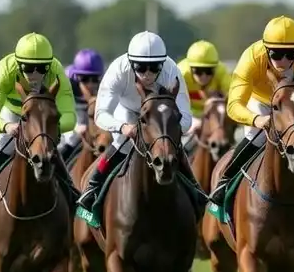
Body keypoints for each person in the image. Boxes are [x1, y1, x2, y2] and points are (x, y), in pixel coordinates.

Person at [206, 15, 294, 212]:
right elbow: (234, 105)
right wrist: (258, 119)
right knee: (256, 136)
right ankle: (225, 182)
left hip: (291, 108)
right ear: (266, 49)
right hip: (261, 103)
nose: (284, 60)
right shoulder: (252, 57)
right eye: (276, 54)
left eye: (290, 55)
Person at [75, 31, 205, 219]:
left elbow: (186, 119)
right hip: (127, 111)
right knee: (121, 142)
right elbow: (101, 114)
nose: (147, 74)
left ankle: (195, 189)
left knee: (170, 146)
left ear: (163, 63)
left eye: (154, 68)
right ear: (131, 62)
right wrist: (123, 127)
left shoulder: (172, 71)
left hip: (158, 117)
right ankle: (92, 187)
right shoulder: (118, 70)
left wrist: (166, 133)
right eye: (141, 67)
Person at [0, 32, 78, 212]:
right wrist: (6, 126)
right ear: (18, 63)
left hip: (42, 118)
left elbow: (69, 115)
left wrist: (47, 129)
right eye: (29, 68)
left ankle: (72, 195)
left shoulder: (56, 70)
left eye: (41, 68)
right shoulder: (5, 69)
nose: (35, 74)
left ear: (49, 65)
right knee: (5, 145)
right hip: (13, 113)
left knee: (48, 149)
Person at [178, 39, 232, 154]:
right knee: (194, 129)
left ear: (215, 68)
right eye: (198, 71)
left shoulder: (221, 71)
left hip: (214, 115)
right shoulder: (181, 73)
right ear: (190, 68)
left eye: (209, 71)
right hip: (188, 114)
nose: (203, 76)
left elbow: (232, 97)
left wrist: (219, 98)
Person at [58, 48, 105, 164]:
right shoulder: (67, 91)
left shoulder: (107, 91)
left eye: (95, 80)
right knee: (71, 139)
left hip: (97, 137)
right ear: (77, 78)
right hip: (72, 135)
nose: (90, 84)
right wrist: (75, 129)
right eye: (84, 79)